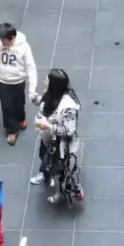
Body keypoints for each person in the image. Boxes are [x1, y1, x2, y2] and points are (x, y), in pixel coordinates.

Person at [29, 69, 83, 205]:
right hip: (47, 140)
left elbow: (69, 130)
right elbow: (44, 103)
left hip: (60, 146)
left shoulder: (68, 106)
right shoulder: (51, 94)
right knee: (44, 158)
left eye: (47, 80)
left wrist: (49, 127)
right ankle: (45, 174)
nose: (44, 82)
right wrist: (36, 99)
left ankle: (61, 192)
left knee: (60, 171)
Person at [0, 23, 38, 145]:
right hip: (2, 81)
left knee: (19, 104)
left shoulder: (24, 47)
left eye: (3, 39)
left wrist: (32, 88)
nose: (1, 42)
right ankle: (11, 130)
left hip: (18, 81)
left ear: (11, 37)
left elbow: (31, 67)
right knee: (7, 107)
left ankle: (21, 118)